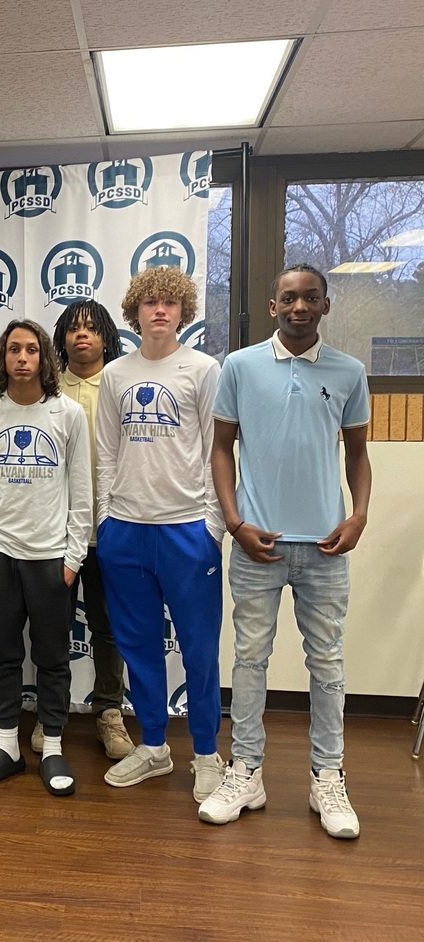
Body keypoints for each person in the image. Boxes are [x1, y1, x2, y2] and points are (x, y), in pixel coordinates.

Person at [199, 264, 371, 839]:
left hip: (326, 546)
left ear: (325, 305)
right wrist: (235, 523)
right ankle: (246, 772)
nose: (300, 306)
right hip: (259, 546)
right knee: (249, 661)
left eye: (310, 298)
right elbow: (221, 450)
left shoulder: (349, 372)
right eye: (289, 298)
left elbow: (358, 455)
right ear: (273, 306)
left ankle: (328, 778)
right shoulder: (239, 366)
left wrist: (359, 516)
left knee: (327, 664)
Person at [94, 267, 225, 801]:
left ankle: (207, 753)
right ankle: (153, 747)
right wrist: (104, 520)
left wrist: (213, 526)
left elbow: (218, 450)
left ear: (183, 311)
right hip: (125, 530)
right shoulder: (116, 374)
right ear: (135, 312)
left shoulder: (204, 369)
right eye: (150, 302)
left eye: (170, 302)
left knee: (199, 649)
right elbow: (105, 451)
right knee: (139, 646)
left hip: (187, 529)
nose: (160, 310)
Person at [0, 321, 91, 796]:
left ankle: (52, 747)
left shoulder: (67, 414)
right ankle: (8, 746)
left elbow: (82, 491)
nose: (22, 357)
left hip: (50, 557)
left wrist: (73, 558)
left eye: (31, 349)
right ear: (2, 357)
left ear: (44, 358)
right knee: (3, 654)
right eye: (13, 349)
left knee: (53, 657)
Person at [48, 299, 134, 761]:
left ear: (106, 337)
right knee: (53, 626)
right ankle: (53, 715)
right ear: (62, 338)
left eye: (92, 328)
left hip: (112, 529)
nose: (82, 335)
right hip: (55, 532)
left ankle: (108, 712)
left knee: (109, 627)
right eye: (74, 328)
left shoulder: (122, 385)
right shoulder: (46, 389)